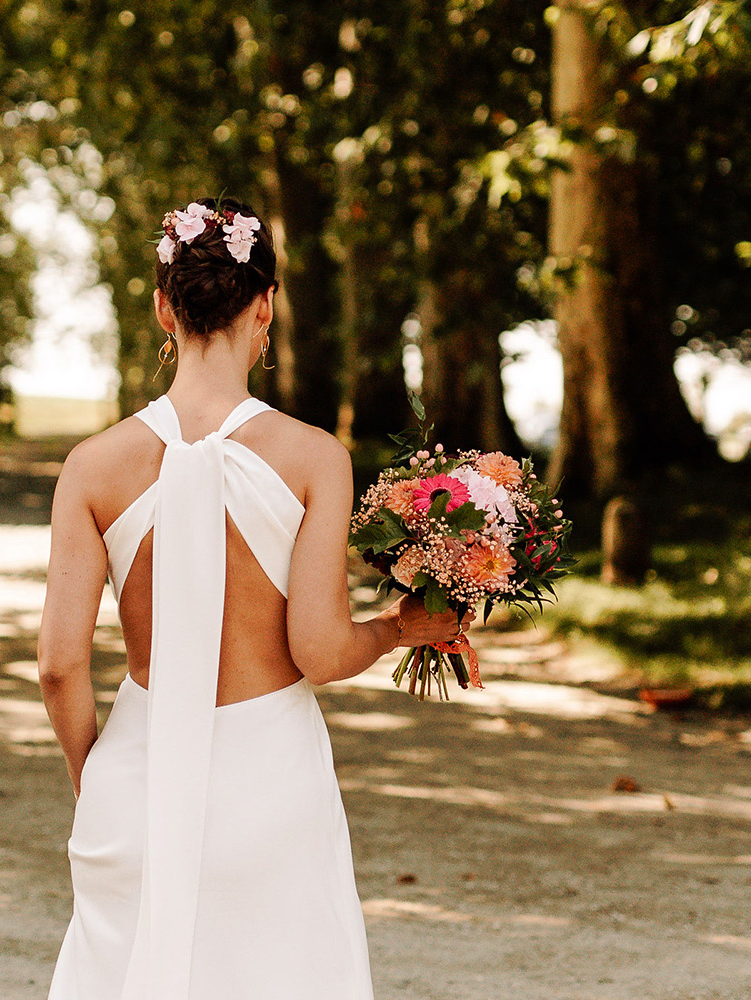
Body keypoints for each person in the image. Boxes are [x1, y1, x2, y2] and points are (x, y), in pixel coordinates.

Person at [38, 196, 464, 999]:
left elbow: (59, 665)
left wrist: (96, 780)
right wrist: (398, 627)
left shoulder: (92, 466)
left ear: (163, 309)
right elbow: (320, 652)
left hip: (135, 782)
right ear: (265, 307)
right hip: (269, 792)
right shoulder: (313, 457)